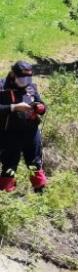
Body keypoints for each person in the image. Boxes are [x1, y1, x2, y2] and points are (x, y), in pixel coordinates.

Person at [0, 61, 48, 192]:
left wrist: (40, 107)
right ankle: (7, 197)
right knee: (9, 165)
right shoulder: (2, 87)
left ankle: (41, 194)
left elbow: (42, 105)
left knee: (35, 163)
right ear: (13, 74)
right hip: (9, 133)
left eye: (28, 77)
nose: (25, 80)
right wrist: (14, 107)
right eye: (22, 78)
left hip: (31, 132)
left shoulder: (31, 87)